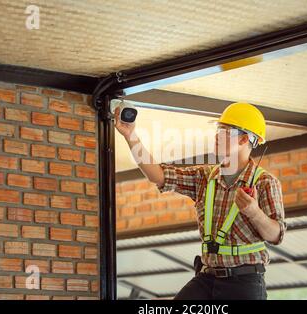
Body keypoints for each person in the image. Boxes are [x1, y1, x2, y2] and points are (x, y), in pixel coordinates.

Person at [115, 102, 286, 300]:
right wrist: (130, 135)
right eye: (217, 129)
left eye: (224, 130)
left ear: (244, 139)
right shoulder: (205, 177)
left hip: (244, 284)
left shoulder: (265, 182)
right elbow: (159, 175)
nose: (216, 136)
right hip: (207, 278)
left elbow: (276, 235)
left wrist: (254, 212)